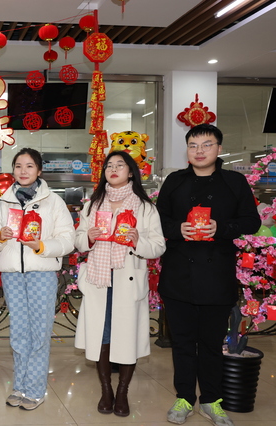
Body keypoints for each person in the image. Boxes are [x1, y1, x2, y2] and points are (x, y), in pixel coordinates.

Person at [157, 124, 260, 426]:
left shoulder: (234, 181)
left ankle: (211, 401)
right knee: (183, 342)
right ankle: (184, 397)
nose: (199, 151)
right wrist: (178, 229)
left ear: (219, 148)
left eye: (206, 144)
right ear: (187, 150)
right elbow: (157, 219)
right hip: (178, 273)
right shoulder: (175, 181)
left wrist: (222, 227)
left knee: (212, 344)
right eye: (193, 145)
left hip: (217, 274)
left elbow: (252, 221)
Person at [74, 151, 166, 417]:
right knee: (101, 336)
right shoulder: (93, 205)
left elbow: (158, 246)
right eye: (109, 166)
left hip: (128, 278)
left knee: (127, 338)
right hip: (99, 279)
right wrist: (88, 238)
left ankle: (123, 392)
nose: (113, 169)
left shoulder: (145, 207)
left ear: (131, 172)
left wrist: (138, 240)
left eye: (119, 165)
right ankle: (106, 391)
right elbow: (77, 239)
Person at [0, 147, 75, 410]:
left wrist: (41, 246)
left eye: (29, 166)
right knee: (18, 333)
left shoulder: (53, 202)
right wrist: (0, 236)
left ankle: (35, 389)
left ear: (39, 170)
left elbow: (67, 240)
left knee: (39, 333)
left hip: (41, 274)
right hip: (12, 275)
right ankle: (19, 386)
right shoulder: (4, 202)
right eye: (18, 166)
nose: (23, 171)